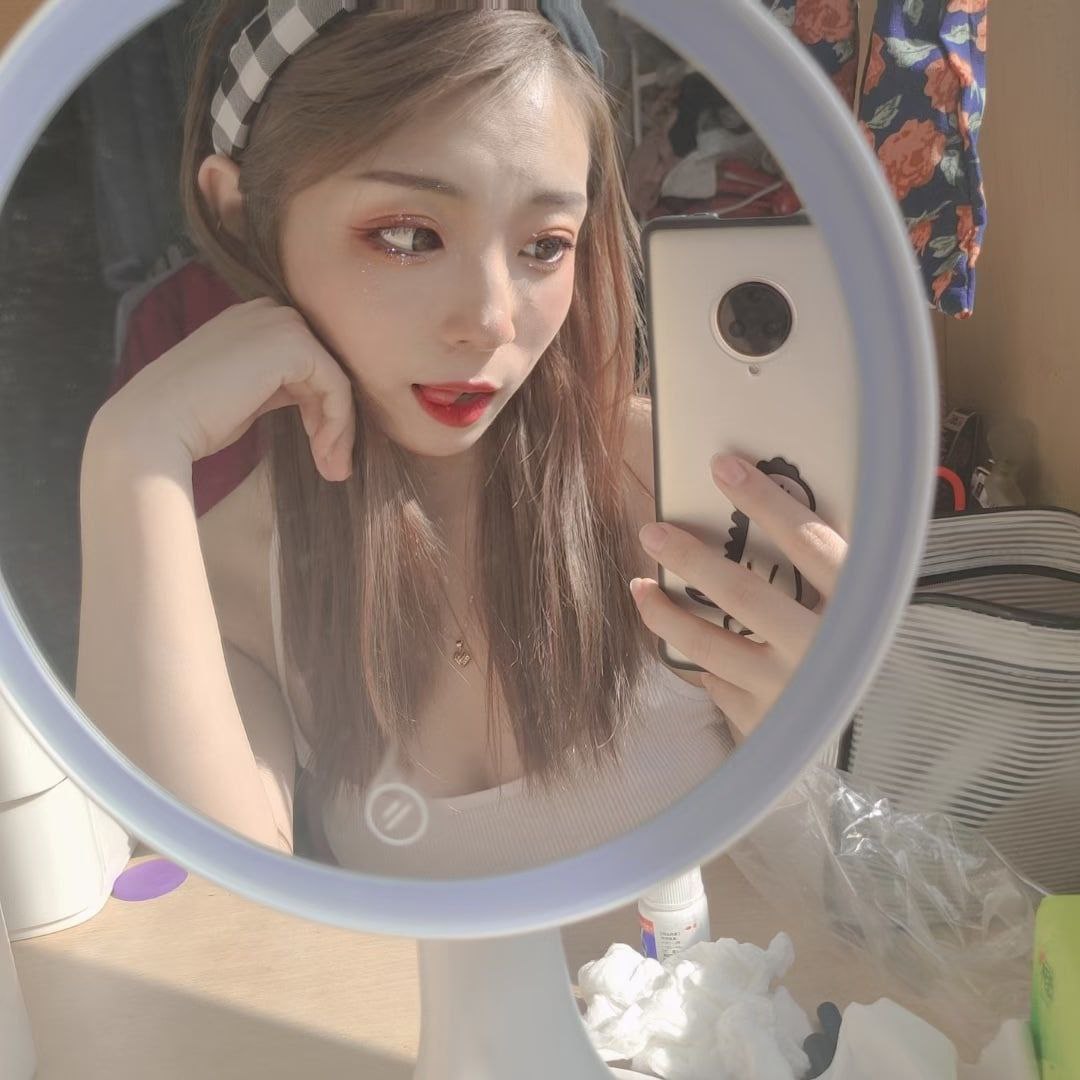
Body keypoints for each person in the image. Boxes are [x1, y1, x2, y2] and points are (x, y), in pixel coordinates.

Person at [76, 0, 847, 875]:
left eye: (544, 246)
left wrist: (802, 742)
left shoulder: (693, 489)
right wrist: (132, 453)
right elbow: (217, 920)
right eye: (409, 236)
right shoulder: (238, 581)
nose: (490, 320)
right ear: (242, 216)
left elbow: (838, 885)